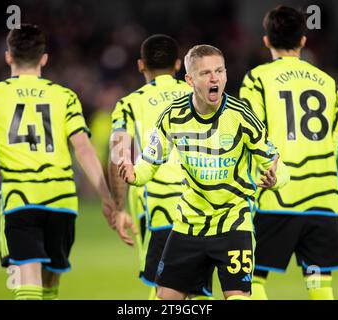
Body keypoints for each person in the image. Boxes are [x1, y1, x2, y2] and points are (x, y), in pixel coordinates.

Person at [0, 24, 116, 300]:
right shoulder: (65, 96)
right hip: (62, 200)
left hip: (21, 197)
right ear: (44, 58)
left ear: (8, 57)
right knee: (49, 287)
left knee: (28, 283)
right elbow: (84, 149)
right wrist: (107, 197)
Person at [118, 44, 289, 300]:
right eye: (206, 73)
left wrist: (276, 180)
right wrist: (134, 176)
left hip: (233, 223)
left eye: (219, 71)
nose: (214, 78)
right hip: (189, 224)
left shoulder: (241, 116)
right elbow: (149, 164)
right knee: (166, 298)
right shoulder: (173, 116)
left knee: (238, 297)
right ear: (189, 79)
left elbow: (278, 165)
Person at [239, 5, 338, 300]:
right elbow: (334, 139)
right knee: (318, 281)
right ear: (303, 41)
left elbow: (251, 136)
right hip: (322, 197)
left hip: (275, 196)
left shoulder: (257, 79)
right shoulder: (328, 82)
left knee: (251, 279)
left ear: (266, 41)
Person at [109, 34, 213, 299]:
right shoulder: (202, 97)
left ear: (141, 65)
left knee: (164, 288)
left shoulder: (130, 104)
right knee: (194, 291)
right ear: (179, 65)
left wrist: (119, 208)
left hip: (158, 207)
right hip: (204, 205)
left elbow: (119, 156)